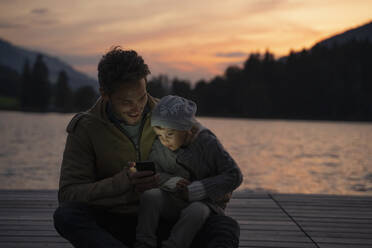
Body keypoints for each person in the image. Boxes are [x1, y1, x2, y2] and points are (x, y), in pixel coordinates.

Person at [53, 46, 241, 248]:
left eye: (142, 97)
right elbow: (68, 194)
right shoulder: (85, 128)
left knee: (225, 227)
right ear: (105, 94)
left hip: (169, 220)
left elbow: (222, 178)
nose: (137, 108)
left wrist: (189, 188)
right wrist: (121, 182)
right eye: (126, 102)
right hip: (113, 221)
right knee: (67, 216)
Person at [134, 95, 243, 248]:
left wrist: (196, 190)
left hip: (206, 204)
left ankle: (174, 244)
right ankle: (144, 242)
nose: (164, 140)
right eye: (159, 135)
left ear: (188, 130)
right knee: (150, 196)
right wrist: (173, 182)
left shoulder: (207, 143)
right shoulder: (160, 145)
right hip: (174, 198)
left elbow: (234, 175)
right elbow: (156, 173)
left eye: (170, 135)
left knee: (195, 211)